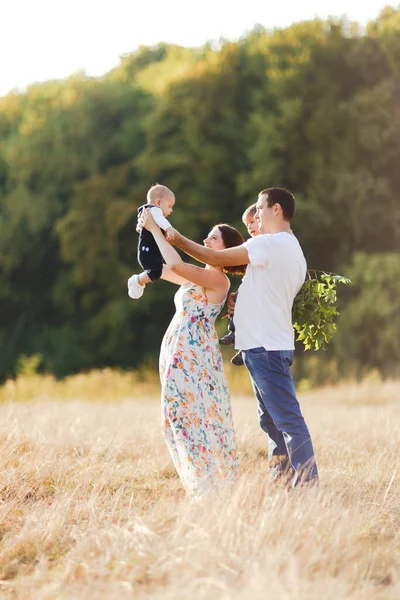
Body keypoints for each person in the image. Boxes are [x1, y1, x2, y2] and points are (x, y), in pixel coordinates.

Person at [153, 187, 318, 488]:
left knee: (288, 422)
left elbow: (213, 256)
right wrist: (238, 303)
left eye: (260, 207)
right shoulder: (291, 248)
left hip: (265, 348)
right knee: (272, 422)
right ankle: (280, 484)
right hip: (266, 346)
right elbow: (268, 292)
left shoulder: (269, 243)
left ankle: (307, 488)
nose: (255, 214)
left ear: (276, 209)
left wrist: (175, 238)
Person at [136, 213, 246, 496]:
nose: (205, 240)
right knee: (175, 416)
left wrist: (157, 230)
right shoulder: (196, 276)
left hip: (192, 353)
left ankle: (207, 487)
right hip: (178, 349)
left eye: (213, 238)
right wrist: (148, 232)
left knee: (185, 414)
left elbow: (176, 263)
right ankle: (200, 485)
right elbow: (163, 268)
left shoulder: (218, 280)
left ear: (225, 250)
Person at [220, 203, 261, 366]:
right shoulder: (252, 244)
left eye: (253, 222)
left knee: (243, 311)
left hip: (256, 295)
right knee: (236, 304)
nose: (250, 227)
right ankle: (234, 334)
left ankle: (242, 346)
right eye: (247, 224)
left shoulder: (261, 245)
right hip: (248, 288)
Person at [127, 184, 175, 300]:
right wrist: (169, 228)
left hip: (148, 251)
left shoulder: (146, 212)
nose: (171, 210)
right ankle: (138, 280)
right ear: (158, 203)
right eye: (169, 206)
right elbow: (161, 220)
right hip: (147, 250)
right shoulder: (154, 210)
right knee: (155, 271)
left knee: (157, 270)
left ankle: (139, 281)